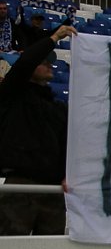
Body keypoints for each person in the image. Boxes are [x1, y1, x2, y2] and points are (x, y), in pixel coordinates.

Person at [0, 24, 77, 235]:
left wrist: (67, 173)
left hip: (52, 189)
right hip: (21, 184)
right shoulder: (12, 95)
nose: (49, 66)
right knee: (12, 244)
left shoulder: (57, 107)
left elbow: (67, 143)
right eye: (43, 62)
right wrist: (54, 37)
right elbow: (25, 63)